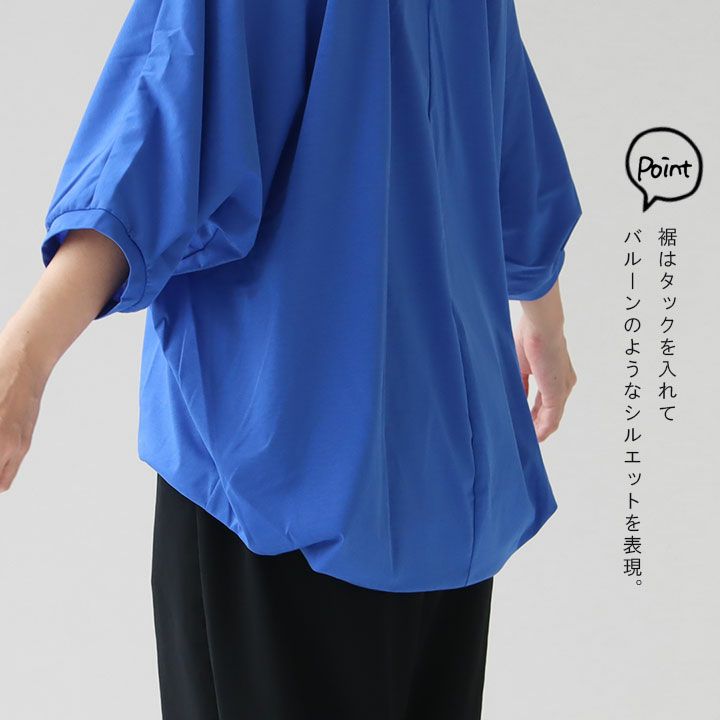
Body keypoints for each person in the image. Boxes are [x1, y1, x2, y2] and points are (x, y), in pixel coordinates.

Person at [0, 0, 580, 718]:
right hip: (445, 476)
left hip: (279, 471)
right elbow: (511, 142)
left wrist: (26, 355)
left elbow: (162, 136)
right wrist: (545, 324)